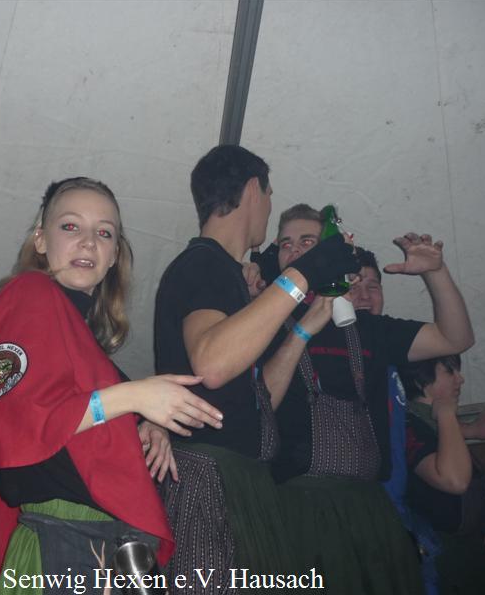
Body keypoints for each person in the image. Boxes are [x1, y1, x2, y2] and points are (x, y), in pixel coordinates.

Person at [0, 177, 224, 594]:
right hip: (63, 544)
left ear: (114, 254)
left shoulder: (87, 346)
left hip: (110, 549)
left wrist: (143, 423)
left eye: (104, 233)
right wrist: (134, 396)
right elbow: (13, 422)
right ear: (40, 240)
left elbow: (75, 421)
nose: (88, 242)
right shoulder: (30, 293)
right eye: (70, 226)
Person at [153, 145, 359, 591]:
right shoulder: (203, 262)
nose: (268, 206)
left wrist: (301, 331)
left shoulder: (231, 276)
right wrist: (307, 271)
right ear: (253, 189)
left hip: (243, 484)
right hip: (210, 485)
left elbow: (257, 398)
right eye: (269, 194)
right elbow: (212, 364)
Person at [263, 203, 476, 595]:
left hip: (369, 506)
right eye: (285, 244)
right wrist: (302, 331)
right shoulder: (263, 321)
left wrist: (435, 272)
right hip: (297, 505)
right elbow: (262, 407)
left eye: (307, 241)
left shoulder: (369, 328)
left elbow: (456, 338)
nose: (294, 250)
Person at [401, 355, 485, 595]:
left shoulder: (437, 424)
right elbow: (453, 481)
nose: (460, 379)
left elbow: (448, 499)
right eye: (450, 371)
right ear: (421, 381)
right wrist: (447, 414)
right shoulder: (408, 424)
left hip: (470, 552)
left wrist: (484, 486)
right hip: (441, 558)